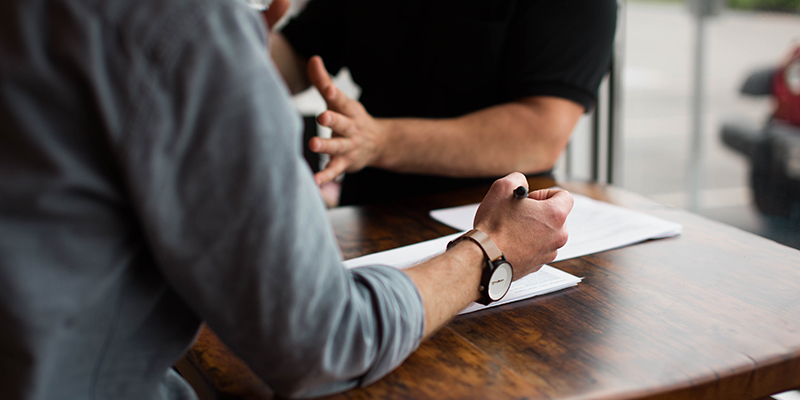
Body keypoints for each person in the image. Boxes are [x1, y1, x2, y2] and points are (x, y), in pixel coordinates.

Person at [0, 0, 573, 399]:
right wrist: (490, 249)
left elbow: (543, 129)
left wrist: (229, 61)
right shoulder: (184, 27)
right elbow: (322, 340)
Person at [271, 0, 618, 205]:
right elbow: (298, 54)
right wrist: (233, 43)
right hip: (369, 209)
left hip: (494, 220)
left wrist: (378, 140)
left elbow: (540, 134)